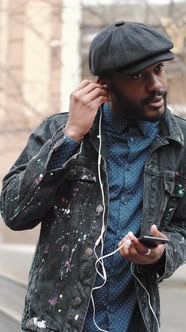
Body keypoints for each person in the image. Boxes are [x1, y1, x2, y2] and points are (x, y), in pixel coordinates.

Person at [1, 20, 186, 332]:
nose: (157, 85)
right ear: (104, 85)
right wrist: (70, 136)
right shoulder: (60, 130)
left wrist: (162, 253)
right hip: (56, 323)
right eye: (138, 76)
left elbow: (183, 226)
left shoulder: (180, 143)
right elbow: (14, 212)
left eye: (159, 69)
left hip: (134, 321)